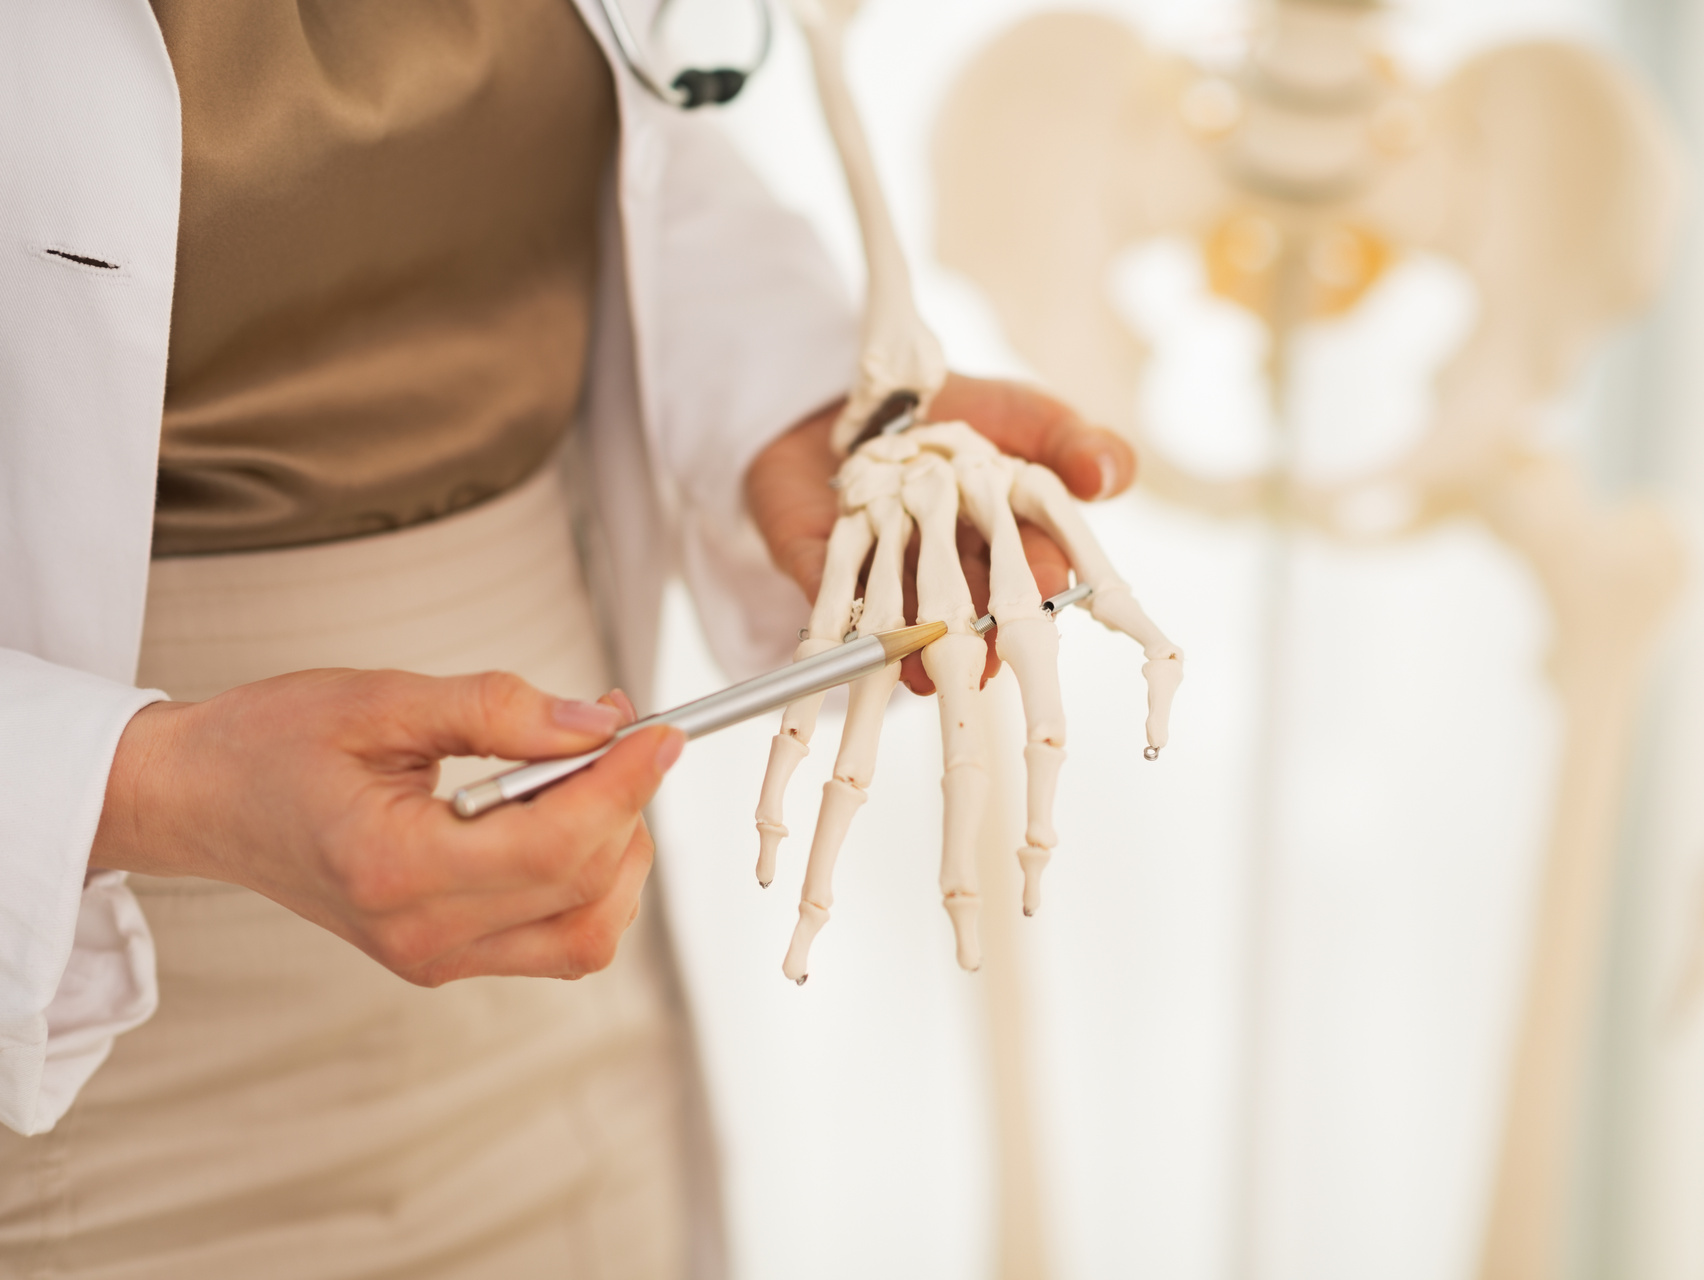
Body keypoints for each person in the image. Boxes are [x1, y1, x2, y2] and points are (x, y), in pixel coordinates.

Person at [0, 1, 1133, 1276]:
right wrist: (146, 783)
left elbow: (635, 122)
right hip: (61, 1030)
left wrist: (802, 402)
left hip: (553, 1032)